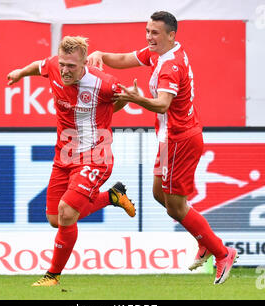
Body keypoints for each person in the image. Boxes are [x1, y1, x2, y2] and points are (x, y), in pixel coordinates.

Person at [87, 11, 238, 284]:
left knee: (176, 208)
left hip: (181, 139)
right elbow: (124, 59)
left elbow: (162, 104)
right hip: (170, 139)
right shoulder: (160, 52)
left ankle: (222, 252)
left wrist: (136, 98)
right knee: (160, 194)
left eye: (154, 33)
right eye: (147, 31)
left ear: (171, 35)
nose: (149, 36)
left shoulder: (171, 65)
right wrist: (99, 53)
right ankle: (203, 238)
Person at [7, 36, 136, 286]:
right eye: (63, 64)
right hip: (64, 156)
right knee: (56, 218)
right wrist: (21, 73)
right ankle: (112, 196)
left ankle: (52, 277)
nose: (65, 70)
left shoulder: (104, 83)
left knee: (67, 212)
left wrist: (136, 101)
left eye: (72, 66)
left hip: (95, 156)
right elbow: (39, 65)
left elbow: (127, 98)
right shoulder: (55, 65)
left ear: (84, 63)